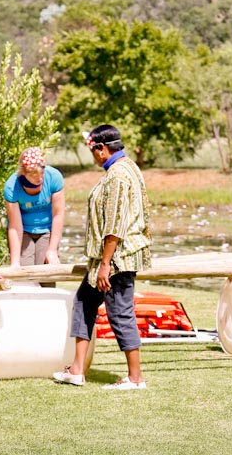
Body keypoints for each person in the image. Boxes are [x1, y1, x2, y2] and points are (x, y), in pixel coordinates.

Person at [53, 125, 151, 390]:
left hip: (117, 259)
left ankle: (135, 378)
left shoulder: (118, 175)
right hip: (103, 260)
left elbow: (114, 225)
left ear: (102, 149)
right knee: (84, 301)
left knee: (120, 312)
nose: (93, 157)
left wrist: (106, 264)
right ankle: (77, 370)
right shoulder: (127, 166)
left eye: (93, 150)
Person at [4, 147, 65, 286]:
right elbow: (15, 226)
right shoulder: (12, 187)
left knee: (46, 274)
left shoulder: (54, 177)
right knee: (25, 277)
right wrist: (15, 262)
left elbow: (58, 215)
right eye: (33, 175)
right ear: (23, 172)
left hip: (47, 230)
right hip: (24, 231)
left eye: (42, 173)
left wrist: (52, 250)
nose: (39, 178)